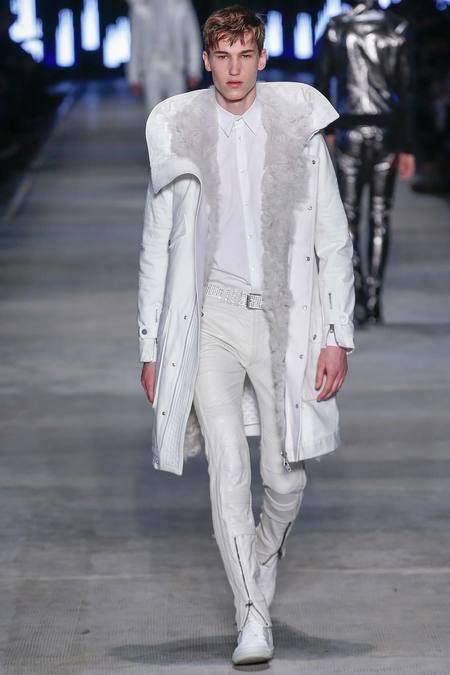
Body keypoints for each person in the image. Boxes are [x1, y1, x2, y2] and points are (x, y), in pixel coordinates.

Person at [138, 5, 355, 665]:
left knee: (284, 479)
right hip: (209, 318)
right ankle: (251, 617)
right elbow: (155, 245)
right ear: (207, 61)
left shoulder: (298, 129)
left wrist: (337, 334)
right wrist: (150, 345)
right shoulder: (180, 131)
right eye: (222, 56)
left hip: (284, 319)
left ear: (261, 57)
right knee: (228, 468)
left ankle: (261, 559)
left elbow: (333, 239)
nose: (234, 69)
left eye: (245, 55)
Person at [315, 0, 416, 324]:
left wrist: (327, 130)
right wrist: (407, 146)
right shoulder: (396, 28)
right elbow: (407, 90)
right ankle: (373, 299)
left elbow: (322, 83)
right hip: (386, 131)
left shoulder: (336, 28)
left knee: (348, 216)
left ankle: (357, 289)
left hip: (349, 130)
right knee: (379, 215)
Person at [126, 0, 202, 112]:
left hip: (175, 66)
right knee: (153, 113)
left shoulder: (181, 5)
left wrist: (194, 70)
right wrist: (133, 76)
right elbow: (135, 41)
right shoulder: (140, 8)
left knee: (177, 112)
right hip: (151, 67)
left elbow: (192, 38)